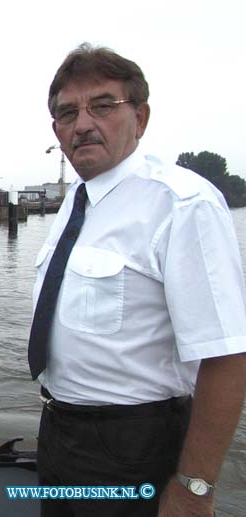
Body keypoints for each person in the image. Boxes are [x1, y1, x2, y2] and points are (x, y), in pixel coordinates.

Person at [30, 43, 246, 517]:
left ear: (140, 118)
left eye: (103, 105)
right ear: (57, 131)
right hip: (59, 433)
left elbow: (227, 356)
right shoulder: (76, 202)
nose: (83, 123)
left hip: (133, 447)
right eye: (68, 112)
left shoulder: (182, 203)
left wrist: (194, 490)